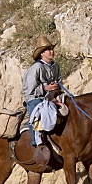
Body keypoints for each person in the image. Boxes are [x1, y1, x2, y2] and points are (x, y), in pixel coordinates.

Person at [21, 35, 62, 165]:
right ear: (42, 54)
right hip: (35, 98)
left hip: (52, 96)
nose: (52, 51)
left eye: (52, 49)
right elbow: (29, 90)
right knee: (38, 116)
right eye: (48, 50)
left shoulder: (55, 66)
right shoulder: (36, 68)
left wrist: (57, 87)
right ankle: (37, 143)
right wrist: (45, 88)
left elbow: (59, 80)